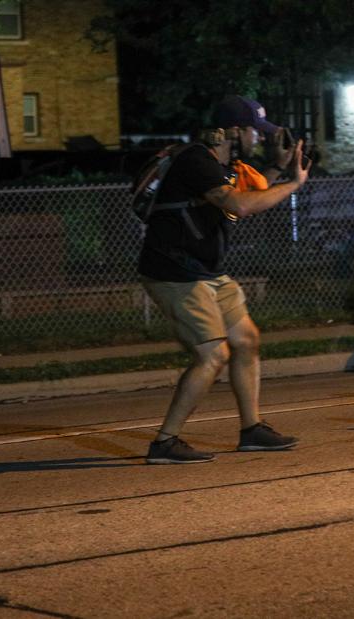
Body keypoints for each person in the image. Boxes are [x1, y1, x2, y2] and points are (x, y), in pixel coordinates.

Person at [139, 95, 310, 464]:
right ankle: (165, 442)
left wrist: (279, 172)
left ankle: (252, 430)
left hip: (207, 271)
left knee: (246, 339)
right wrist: (294, 184)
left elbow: (245, 198)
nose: (260, 139)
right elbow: (241, 206)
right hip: (176, 272)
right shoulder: (196, 160)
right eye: (255, 131)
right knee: (213, 354)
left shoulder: (223, 165)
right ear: (233, 131)